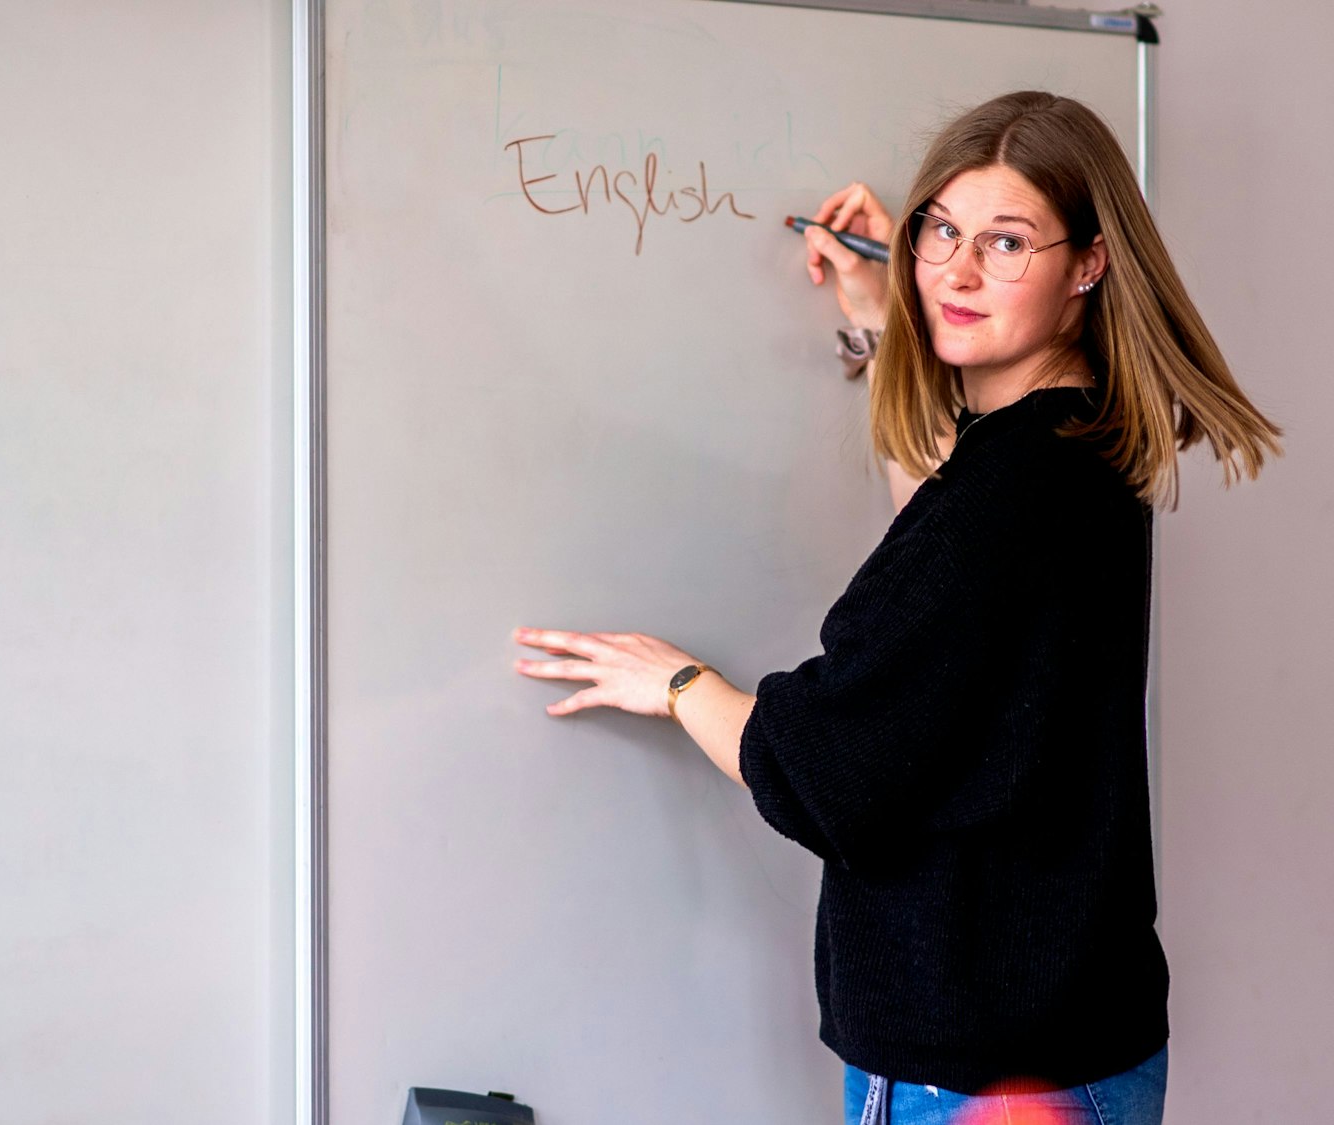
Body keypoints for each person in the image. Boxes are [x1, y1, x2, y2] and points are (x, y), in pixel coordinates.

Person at [510, 90, 1283, 1124]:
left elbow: (826, 770)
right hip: (1052, 1047)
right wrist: (883, 323)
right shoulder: (1069, 451)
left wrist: (679, 685)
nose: (955, 272)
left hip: (988, 1080)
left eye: (1004, 243)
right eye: (940, 232)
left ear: (1086, 264)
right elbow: (945, 564)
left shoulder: (1004, 507)